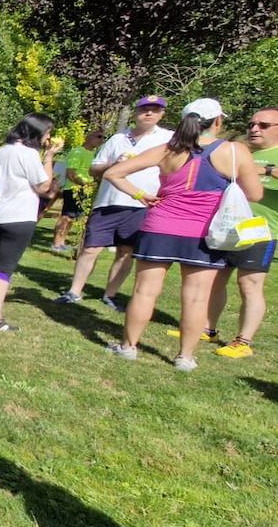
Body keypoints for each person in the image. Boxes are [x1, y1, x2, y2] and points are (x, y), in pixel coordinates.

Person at [103, 98, 263, 370]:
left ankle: (128, 347)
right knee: (197, 297)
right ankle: (185, 357)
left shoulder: (166, 149)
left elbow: (114, 173)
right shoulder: (234, 151)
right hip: (203, 232)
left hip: (159, 227)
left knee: (144, 291)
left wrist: (141, 195)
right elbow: (255, 194)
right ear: (218, 121)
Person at [55, 96, 174, 310]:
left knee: (126, 251)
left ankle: (110, 295)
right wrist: (114, 164)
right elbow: (94, 168)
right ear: (136, 113)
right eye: (144, 109)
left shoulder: (169, 139)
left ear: (162, 114)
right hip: (108, 202)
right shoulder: (118, 138)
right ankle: (74, 291)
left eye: (155, 110)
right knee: (90, 248)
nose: (149, 113)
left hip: (143, 204)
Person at [0, 114, 62, 331]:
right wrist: (49, 158)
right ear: (38, 132)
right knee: (3, 269)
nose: (48, 137)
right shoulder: (29, 154)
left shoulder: (4, 150)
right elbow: (43, 187)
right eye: (48, 132)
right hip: (18, 217)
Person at [199, 107, 278, 358]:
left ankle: (243, 341)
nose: (254, 129)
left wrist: (264, 170)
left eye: (263, 125)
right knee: (214, 279)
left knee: (249, 284)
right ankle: (207, 329)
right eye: (252, 124)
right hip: (227, 228)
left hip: (261, 231)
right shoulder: (243, 153)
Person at [50, 129, 105, 252]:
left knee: (74, 218)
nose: (101, 140)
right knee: (67, 216)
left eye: (103, 138)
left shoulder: (94, 154)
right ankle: (56, 243)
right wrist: (84, 183)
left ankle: (62, 242)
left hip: (86, 190)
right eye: (99, 137)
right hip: (73, 188)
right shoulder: (77, 151)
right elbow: (70, 173)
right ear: (89, 137)